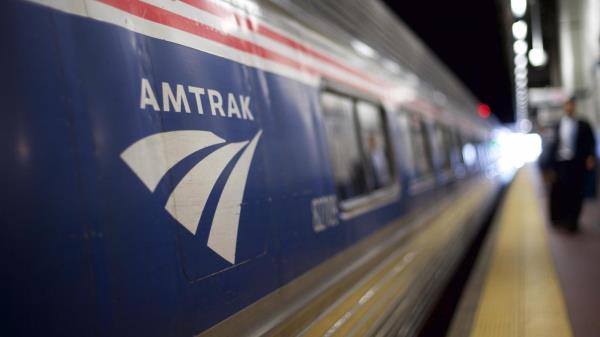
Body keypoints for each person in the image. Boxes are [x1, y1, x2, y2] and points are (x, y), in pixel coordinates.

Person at [546, 97, 596, 232]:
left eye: (571, 105)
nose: (569, 107)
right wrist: (550, 167)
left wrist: (590, 157)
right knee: (560, 192)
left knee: (576, 193)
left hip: (576, 163)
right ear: (564, 107)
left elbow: (590, 143)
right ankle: (560, 220)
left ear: (574, 107)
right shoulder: (558, 125)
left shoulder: (583, 124)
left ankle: (572, 222)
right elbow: (552, 146)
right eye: (566, 105)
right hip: (561, 164)